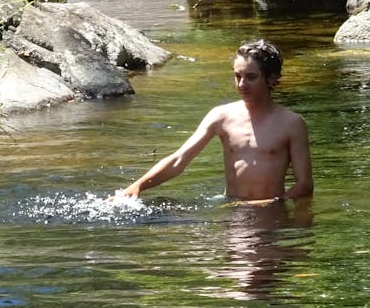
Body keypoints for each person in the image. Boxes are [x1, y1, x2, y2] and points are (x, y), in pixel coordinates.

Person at [118, 39, 313, 202]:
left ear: (271, 78)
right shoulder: (220, 116)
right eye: (237, 76)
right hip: (234, 211)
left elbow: (305, 185)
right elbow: (179, 160)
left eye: (251, 77)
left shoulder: (292, 123)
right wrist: (138, 186)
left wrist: (268, 205)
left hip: (273, 215)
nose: (242, 84)